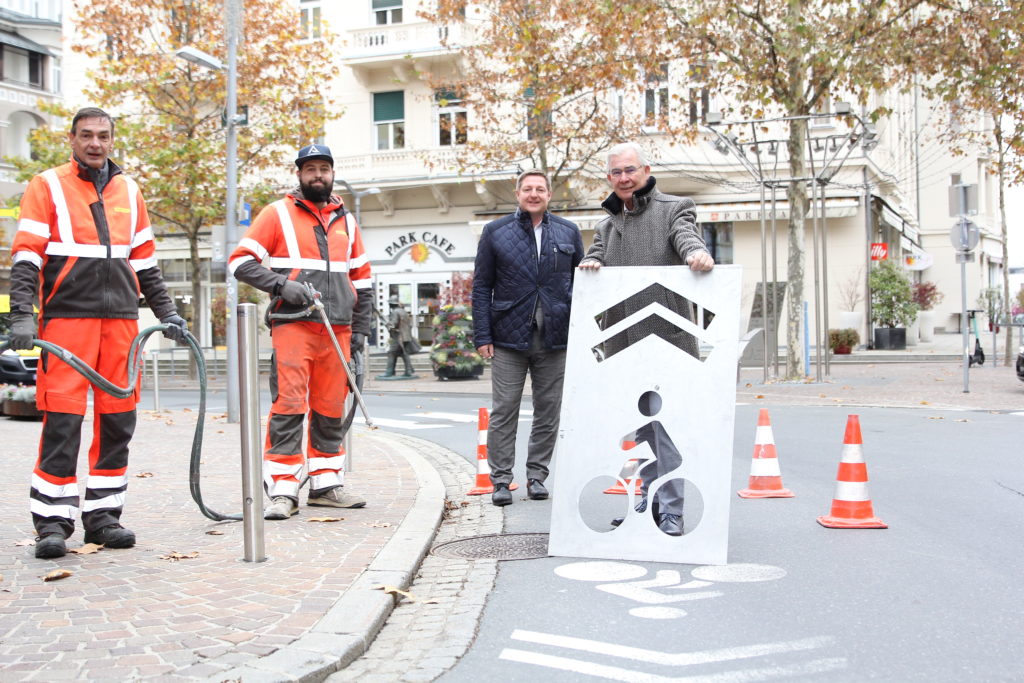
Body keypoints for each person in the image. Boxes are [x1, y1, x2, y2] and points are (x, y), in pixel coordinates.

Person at [8, 107, 188, 559]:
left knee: (118, 423)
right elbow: (27, 255)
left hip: (122, 326)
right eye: (86, 135)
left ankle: (103, 518)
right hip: (68, 322)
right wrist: (21, 315)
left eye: (102, 136)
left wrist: (167, 313)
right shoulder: (47, 185)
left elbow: (145, 261)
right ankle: (52, 522)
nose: (94, 143)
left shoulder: (129, 189)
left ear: (112, 140)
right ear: (72, 140)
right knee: (63, 423)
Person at [229, 144, 372, 520]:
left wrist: (360, 331)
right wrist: (279, 286)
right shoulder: (276, 214)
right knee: (289, 405)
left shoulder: (348, 222)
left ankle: (326, 485)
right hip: (293, 324)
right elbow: (241, 263)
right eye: (310, 169)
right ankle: (283, 491)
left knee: (328, 408)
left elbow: (364, 279)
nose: (317, 175)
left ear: (332, 174)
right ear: (299, 175)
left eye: (323, 168)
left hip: (337, 328)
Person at [579, 141, 714, 536]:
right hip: (623, 346)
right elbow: (598, 255)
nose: (624, 178)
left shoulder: (675, 208)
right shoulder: (606, 224)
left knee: (666, 429)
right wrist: (591, 263)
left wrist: (697, 255)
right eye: (616, 172)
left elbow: (686, 237)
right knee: (635, 432)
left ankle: (671, 509)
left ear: (646, 170)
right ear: (609, 178)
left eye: (630, 170)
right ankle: (641, 505)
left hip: (669, 340)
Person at [472, 169, 583, 506]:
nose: (534, 194)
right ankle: (501, 480)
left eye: (540, 189)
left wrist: (581, 330)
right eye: (527, 189)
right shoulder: (495, 232)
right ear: (517, 194)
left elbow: (583, 283)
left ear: (549, 195)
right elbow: (481, 287)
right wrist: (482, 335)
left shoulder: (569, 231)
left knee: (548, 410)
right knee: (504, 409)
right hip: (507, 336)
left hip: (556, 336)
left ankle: (537, 475)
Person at [383, 295, 416, 377]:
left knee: (391, 353)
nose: (389, 305)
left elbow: (393, 325)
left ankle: (389, 371)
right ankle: (408, 371)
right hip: (406, 337)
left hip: (398, 337)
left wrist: (386, 323)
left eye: (390, 304)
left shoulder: (395, 312)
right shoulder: (404, 311)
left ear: (392, 304)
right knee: (404, 353)